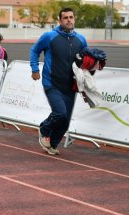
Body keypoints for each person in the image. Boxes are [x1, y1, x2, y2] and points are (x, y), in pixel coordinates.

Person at [30, 7, 87, 155]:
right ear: (60, 20)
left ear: (74, 19)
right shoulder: (49, 36)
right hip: (52, 83)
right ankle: (44, 129)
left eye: (71, 17)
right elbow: (34, 51)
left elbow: (85, 61)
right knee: (60, 113)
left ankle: (53, 144)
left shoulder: (81, 39)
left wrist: (93, 65)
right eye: (65, 17)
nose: (69, 20)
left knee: (65, 121)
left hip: (70, 86)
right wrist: (35, 69)